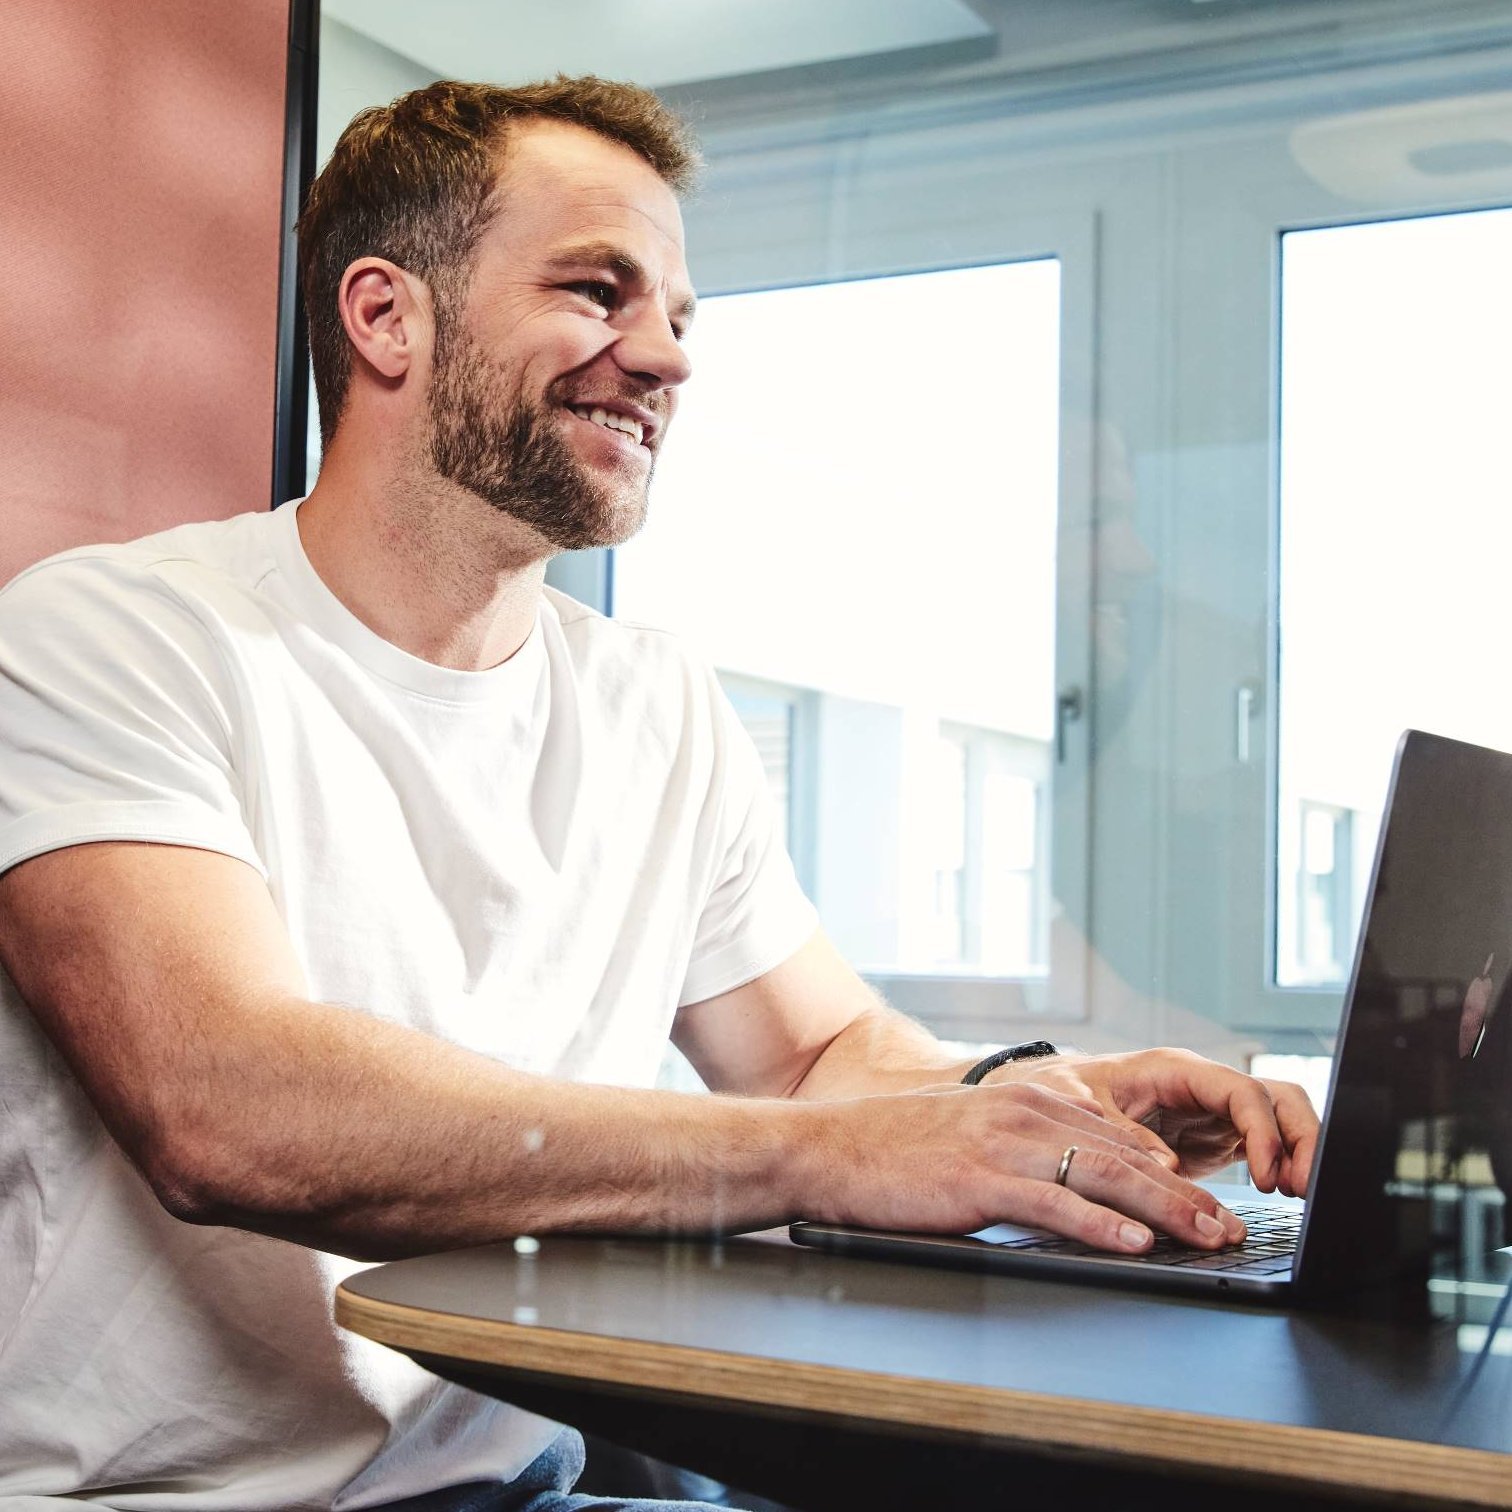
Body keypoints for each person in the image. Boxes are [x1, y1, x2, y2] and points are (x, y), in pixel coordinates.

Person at [0, 77, 1316, 1511]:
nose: (665, 359)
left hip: (513, 1487)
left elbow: (816, 1058)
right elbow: (226, 1104)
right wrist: (836, 1158)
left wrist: (1036, 1106)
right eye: (598, 290)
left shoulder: (654, 706)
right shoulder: (107, 638)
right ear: (385, 316)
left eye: (680, 318)